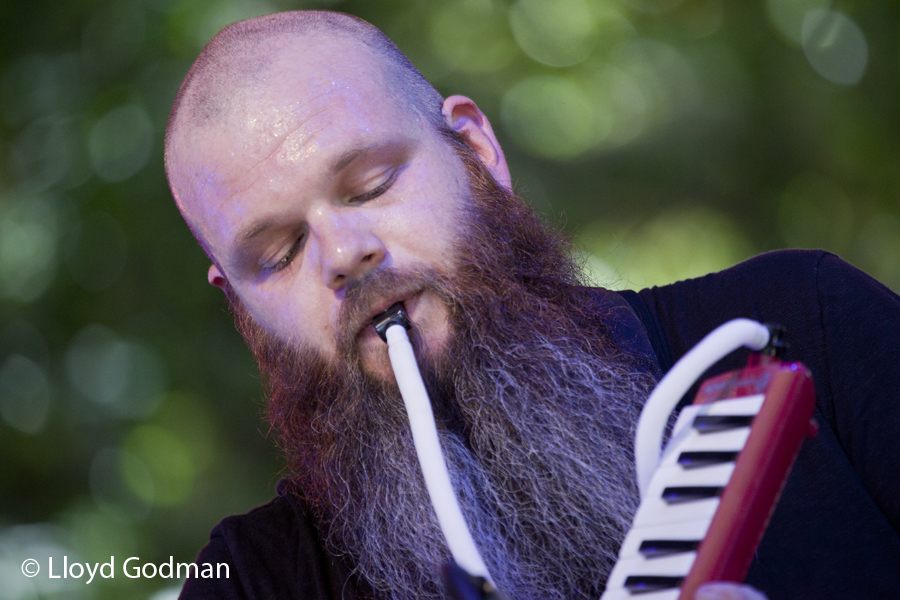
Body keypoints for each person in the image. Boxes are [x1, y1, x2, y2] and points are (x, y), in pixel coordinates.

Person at [163, 10, 900, 600]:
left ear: (476, 153)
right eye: (279, 254)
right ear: (239, 306)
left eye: (371, 184)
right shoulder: (257, 580)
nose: (343, 253)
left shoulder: (805, 321)